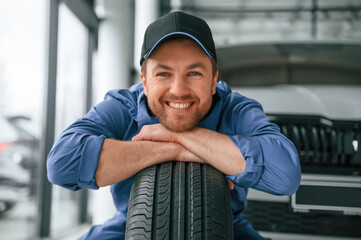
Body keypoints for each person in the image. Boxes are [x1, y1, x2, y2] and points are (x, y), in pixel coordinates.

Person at [47, 11, 301, 239]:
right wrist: (176, 149)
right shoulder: (123, 105)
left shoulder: (236, 108)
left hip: (229, 226)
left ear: (213, 82)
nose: (178, 90)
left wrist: (182, 138)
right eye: (164, 73)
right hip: (127, 225)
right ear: (145, 83)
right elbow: (62, 163)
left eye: (194, 73)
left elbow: (285, 174)